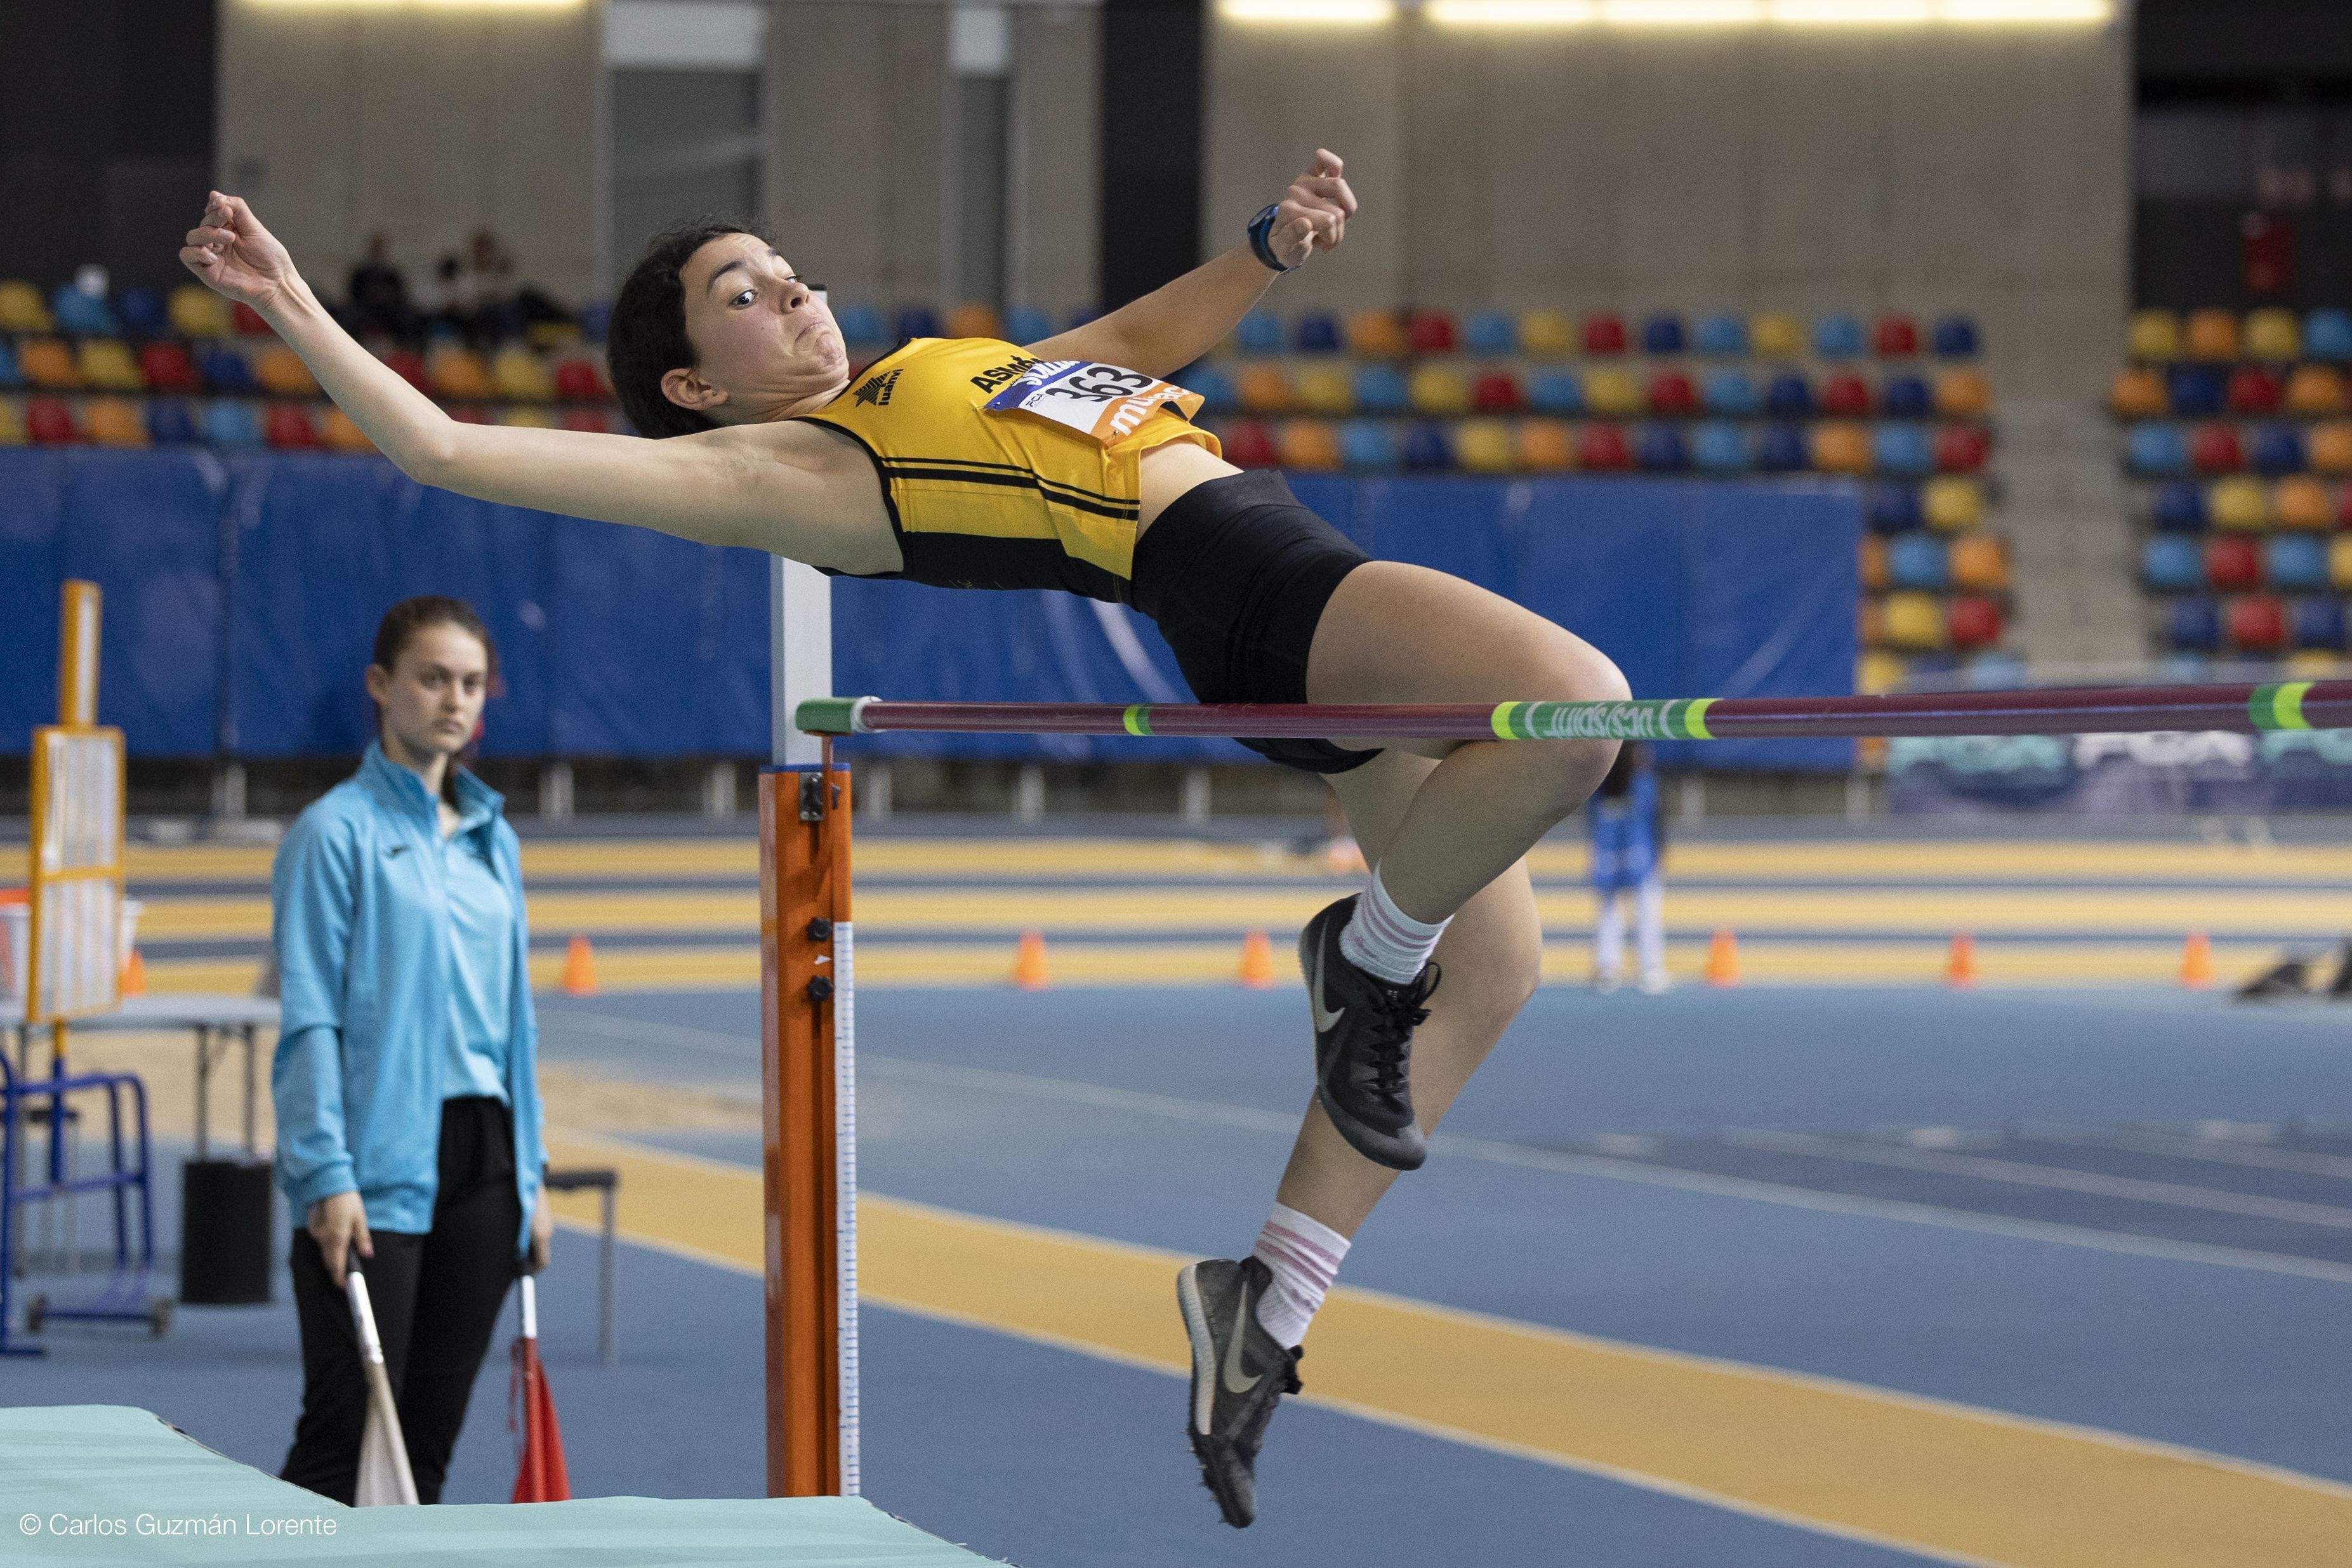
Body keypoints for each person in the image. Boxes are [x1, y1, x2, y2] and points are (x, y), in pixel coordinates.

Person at [182, 153, 1629, 1527]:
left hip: (1281, 581)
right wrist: (290, 299)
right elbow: (442, 449)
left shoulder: (940, 376)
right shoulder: (790, 472)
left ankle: (1266, 1301)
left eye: (786, 270)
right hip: (1259, 591)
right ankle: (1362, 957)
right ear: (694, 384)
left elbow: (1131, 337)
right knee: (1577, 706)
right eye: (743, 295)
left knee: (1495, 962)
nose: (792, 291)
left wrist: (1261, 250)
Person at [270, 595, 553, 1505]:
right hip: (376, 1161)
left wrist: (531, 1177)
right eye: (433, 678)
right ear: (381, 685)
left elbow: (514, 1021)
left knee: (424, 1449)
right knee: (345, 1437)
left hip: (486, 1160)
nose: (454, 700)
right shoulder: (333, 833)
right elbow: (310, 1013)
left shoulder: (492, 837)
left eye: (472, 682)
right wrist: (324, 1173)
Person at [1587, 742, 1668, 994]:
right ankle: (1622, 967)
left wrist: (1659, 848)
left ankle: (1637, 967)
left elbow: (1655, 816)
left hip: (1633, 850)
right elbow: (1655, 817)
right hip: (1620, 849)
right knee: (1626, 909)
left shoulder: (1639, 783)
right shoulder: (1612, 784)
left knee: (1635, 909)